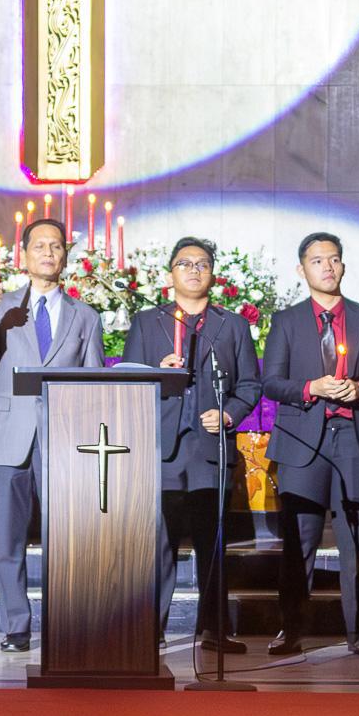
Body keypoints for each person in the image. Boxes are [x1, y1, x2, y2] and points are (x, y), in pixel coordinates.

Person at [0, 217, 105, 652]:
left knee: (66, 539)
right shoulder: (2, 307)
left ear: (65, 256)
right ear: (23, 255)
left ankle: (66, 623)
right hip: (8, 435)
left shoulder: (85, 316)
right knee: (8, 540)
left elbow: (95, 382)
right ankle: (16, 626)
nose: (48, 252)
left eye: (56, 246)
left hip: (63, 437)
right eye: (39, 245)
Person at [119, 237, 263, 650]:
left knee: (211, 543)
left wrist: (228, 413)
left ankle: (214, 630)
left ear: (212, 274)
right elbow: (127, 381)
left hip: (209, 449)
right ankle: (150, 630)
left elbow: (250, 385)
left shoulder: (231, 325)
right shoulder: (148, 322)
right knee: (157, 544)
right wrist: (156, 372)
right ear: (171, 274)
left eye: (202, 264)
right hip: (161, 448)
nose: (194, 270)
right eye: (185, 263)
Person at [262, 232, 359, 657]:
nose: (327, 266)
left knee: (355, 538)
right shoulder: (286, 321)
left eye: (334, 259)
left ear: (343, 266)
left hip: (353, 438)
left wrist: (358, 390)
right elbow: (271, 382)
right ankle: (291, 629)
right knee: (298, 541)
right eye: (317, 260)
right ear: (301, 269)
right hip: (302, 439)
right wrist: (311, 387)